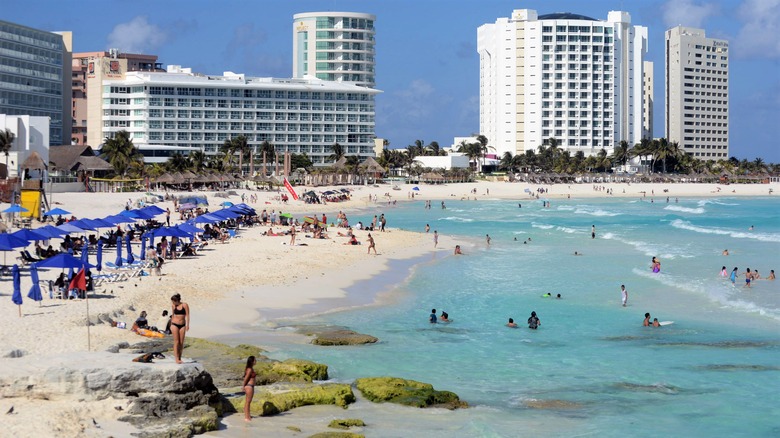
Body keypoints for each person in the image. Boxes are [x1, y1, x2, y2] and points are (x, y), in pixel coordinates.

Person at [170, 293, 190, 364]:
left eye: (173, 301)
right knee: (176, 342)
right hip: (174, 324)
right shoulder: (173, 306)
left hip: (182, 325)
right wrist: (171, 325)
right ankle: (176, 359)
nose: (173, 303)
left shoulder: (184, 305)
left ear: (177, 300)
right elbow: (172, 315)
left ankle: (179, 358)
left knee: (181, 343)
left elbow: (187, 315)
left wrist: (187, 325)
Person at [242, 356, 257, 422]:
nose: (256, 361)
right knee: (248, 402)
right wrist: (243, 386)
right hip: (249, 386)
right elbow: (246, 378)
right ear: (252, 361)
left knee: (248, 402)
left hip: (251, 386)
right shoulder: (249, 369)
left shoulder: (250, 368)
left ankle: (248, 415)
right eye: (255, 360)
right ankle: (246, 417)